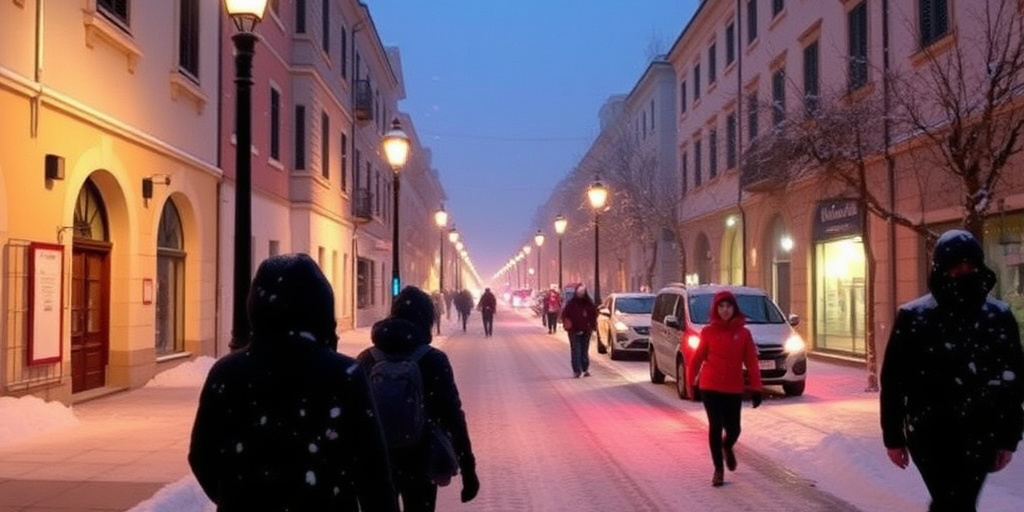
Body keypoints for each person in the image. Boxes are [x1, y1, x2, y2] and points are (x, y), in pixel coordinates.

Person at [188, 254, 398, 512]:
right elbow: (372, 468)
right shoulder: (344, 374)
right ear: (322, 310)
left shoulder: (228, 372)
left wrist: (237, 494)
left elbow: (202, 455)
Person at [880, 229, 1024, 512]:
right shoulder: (914, 317)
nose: (964, 271)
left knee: (957, 501)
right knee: (953, 500)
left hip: (981, 432)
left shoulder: (998, 316)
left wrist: (1008, 437)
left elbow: (1012, 382)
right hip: (930, 433)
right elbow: (894, 382)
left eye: (970, 264)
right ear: (941, 268)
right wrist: (893, 436)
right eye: (956, 265)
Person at [357, 286, 480, 512]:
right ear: (426, 319)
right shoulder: (433, 360)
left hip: (378, 462)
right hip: (421, 460)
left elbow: (353, 419)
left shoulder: (366, 359)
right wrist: (468, 469)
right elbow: (453, 416)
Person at [686, 290, 763, 488]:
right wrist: (690, 384)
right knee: (715, 427)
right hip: (710, 386)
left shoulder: (744, 334)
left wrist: (756, 388)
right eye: (721, 306)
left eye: (728, 306)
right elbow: (696, 360)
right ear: (716, 309)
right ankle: (718, 470)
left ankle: (727, 445)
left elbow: (752, 363)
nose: (725, 310)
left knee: (734, 429)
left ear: (734, 308)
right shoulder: (708, 332)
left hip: (733, 388)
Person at [560, 284, 597, 378]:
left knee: (584, 350)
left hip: (586, 330)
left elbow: (593, 315)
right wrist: (568, 324)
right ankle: (577, 370)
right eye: (579, 293)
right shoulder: (571, 304)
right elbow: (564, 315)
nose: (580, 295)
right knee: (576, 350)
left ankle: (585, 368)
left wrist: (592, 326)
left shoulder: (589, 304)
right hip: (573, 330)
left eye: (582, 293)